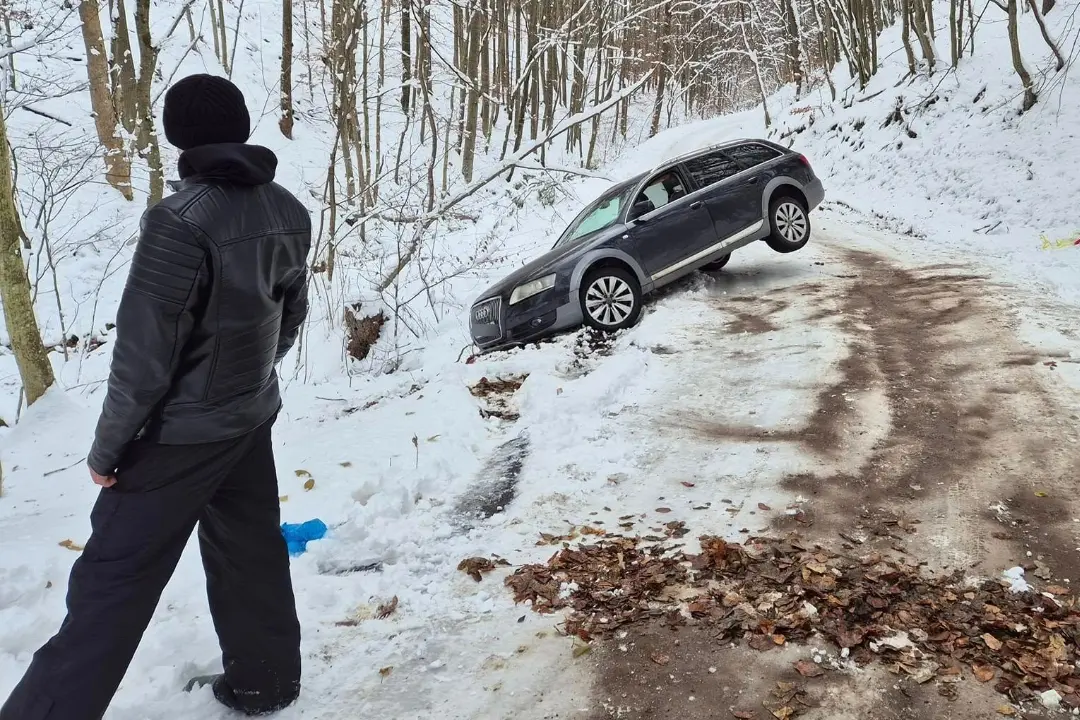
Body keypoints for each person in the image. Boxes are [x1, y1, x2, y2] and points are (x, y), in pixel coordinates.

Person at [0, 74, 311, 720]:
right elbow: (289, 319)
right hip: (247, 420)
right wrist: (250, 382)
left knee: (110, 582)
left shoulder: (177, 223)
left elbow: (144, 359)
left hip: (179, 438)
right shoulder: (288, 210)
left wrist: (108, 450)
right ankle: (266, 682)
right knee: (249, 552)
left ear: (177, 137)